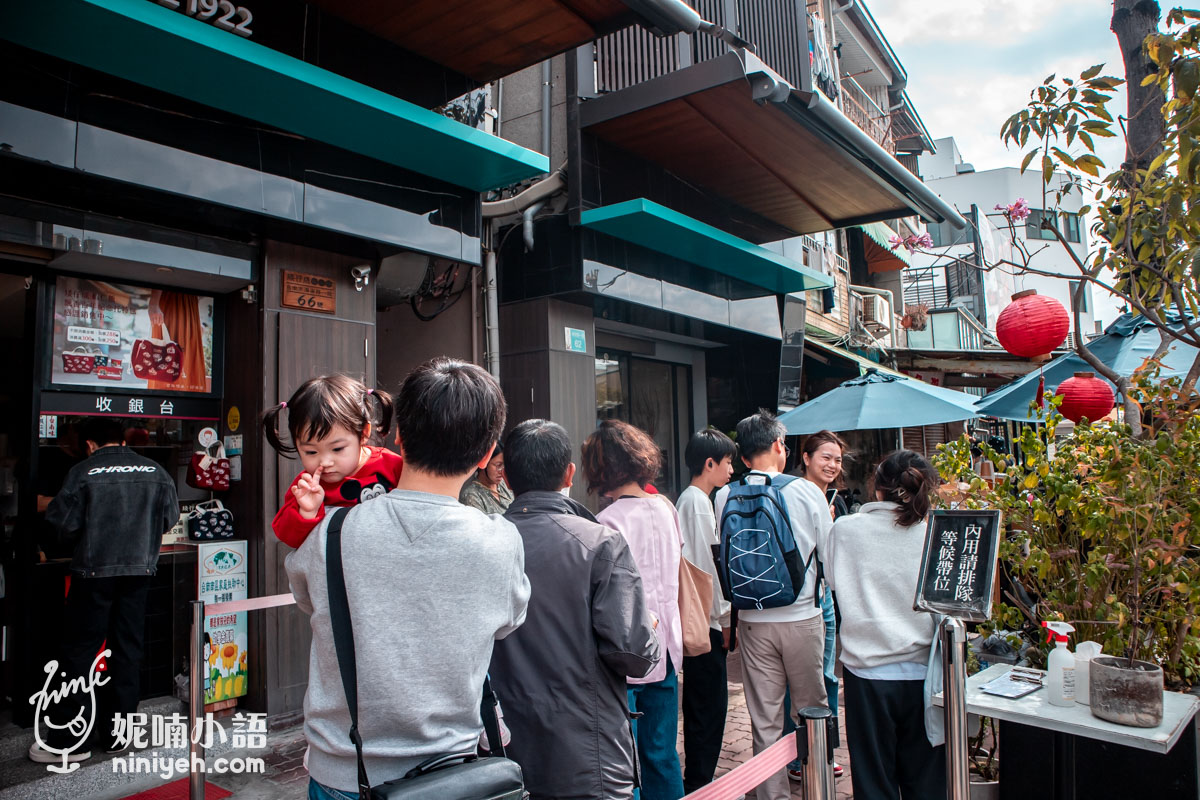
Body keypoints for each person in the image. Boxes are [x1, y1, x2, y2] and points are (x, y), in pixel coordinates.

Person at [286, 358, 530, 799]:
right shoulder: (501, 541)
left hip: (344, 770)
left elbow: (308, 600)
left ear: (398, 436)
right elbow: (509, 620)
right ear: (483, 454)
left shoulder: (331, 533)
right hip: (453, 770)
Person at [490, 419, 661, 800]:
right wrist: (649, 628)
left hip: (503, 755)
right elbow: (633, 654)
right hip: (588, 755)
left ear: (506, 476)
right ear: (569, 473)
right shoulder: (600, 543)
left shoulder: (481, 541)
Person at [31, 416, 179, 764]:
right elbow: (168, 518)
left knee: (80, 654)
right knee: (127, 650)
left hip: (92, 573)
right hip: (139, 572)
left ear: (89, 444)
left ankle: (69, 741)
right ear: (123, 440)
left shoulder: (84, 471)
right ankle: (118, 735)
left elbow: (61, 525)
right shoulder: (155, 472)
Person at [713, 410, 832, 800]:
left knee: (764, 720)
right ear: (780, 446)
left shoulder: (725, 496)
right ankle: (818, 789)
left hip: (751, 619)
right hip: (802, 618)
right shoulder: (804, 491)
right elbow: (829, 558)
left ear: (743, 458)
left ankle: (772, 796)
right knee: (811, 712)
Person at [825, 450, 945, 800]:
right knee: (926, 781)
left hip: (868, 673)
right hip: (926, 673)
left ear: (877, 486)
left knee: (873, 780)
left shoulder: (845, 529)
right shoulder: (936, 532)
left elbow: (832, 580)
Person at [583, 420, 684, 800]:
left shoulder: (605, 522)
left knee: (624, 762)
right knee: (662, 753)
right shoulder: (666, 508)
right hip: (667, 648)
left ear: (600, 468)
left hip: (623, 656)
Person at [264, 374, 401, 549]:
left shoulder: (392, 466)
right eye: (311, 452)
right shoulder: (306, 487)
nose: (326, 462)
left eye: (337, 449)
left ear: (364, 433)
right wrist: (307, 512)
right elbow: (287, 536)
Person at [785, 430, 849, 781]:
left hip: (825, 595)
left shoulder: (838, 501)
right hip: (801, 598)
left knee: (826, 675)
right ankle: (796, 757)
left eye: (837, 459)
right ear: (806, 458)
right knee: (797, 681)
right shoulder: (791, 495)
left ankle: (824, 751)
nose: (832, 465)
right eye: (825, 456)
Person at [676, 428, 736, 793]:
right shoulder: (697, 502)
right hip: (707, 621)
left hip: (703, 617)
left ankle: (700, 777)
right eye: (727, 462)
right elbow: (705, 569)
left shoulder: (693, 499)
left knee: (704, 705)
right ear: (709, 463)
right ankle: (700, 780)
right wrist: (725, 618)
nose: (731, 470)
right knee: (708, 707)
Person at [459, 439, 513, 514]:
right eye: (498, 465)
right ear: (484, 463)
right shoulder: (471, 496)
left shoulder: (505, 484)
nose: (502, 471)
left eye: (504, 465)